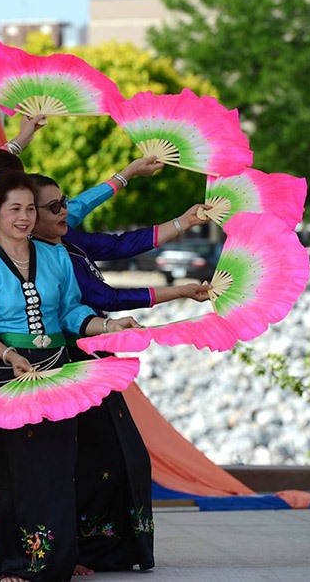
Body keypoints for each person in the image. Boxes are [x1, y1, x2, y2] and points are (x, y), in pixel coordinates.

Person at [0, 138, 161, 564]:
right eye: (14, 210)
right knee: (16, 470)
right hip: (8, 373)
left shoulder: (56, 258)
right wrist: (8, 356)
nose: (24, 218)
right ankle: (10, 560)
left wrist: (108, 325)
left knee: (63, 465)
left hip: (57, 370)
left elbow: (72, 311)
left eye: (30, 209)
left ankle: (61, 555)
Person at [29, 173, 212, 572]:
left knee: (121, 456)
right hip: (65, 360)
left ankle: (107, 551)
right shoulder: (40, 258)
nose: (65, 211)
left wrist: (186, 220)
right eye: (55, 207)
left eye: (64, 202)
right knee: (89, 460)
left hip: (92, 352)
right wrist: (177, 292)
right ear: (28, 215)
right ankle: (78, 551)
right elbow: (106, 298)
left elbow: (122, 243)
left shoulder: (68, 241)